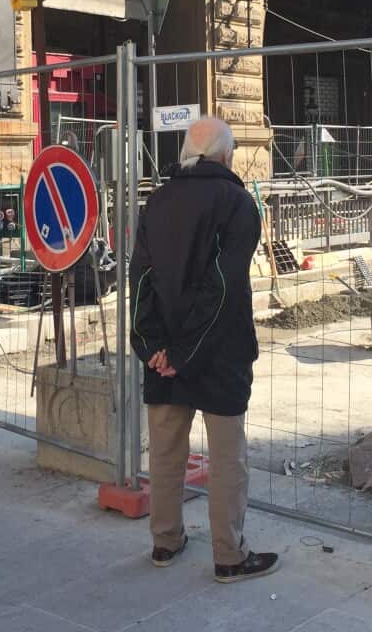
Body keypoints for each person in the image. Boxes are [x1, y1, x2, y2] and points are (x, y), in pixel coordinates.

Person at [129, 117, 279, 583]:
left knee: (166, 454)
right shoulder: (238, 204)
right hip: (218, 351)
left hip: (164, 359)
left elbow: (141, 280)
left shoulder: (155, 202)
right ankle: (228, 556)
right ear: (226, 156)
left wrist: (153, 346)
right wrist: (183, 351)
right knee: (227, 458)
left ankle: (165, 541)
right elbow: (223, 286)